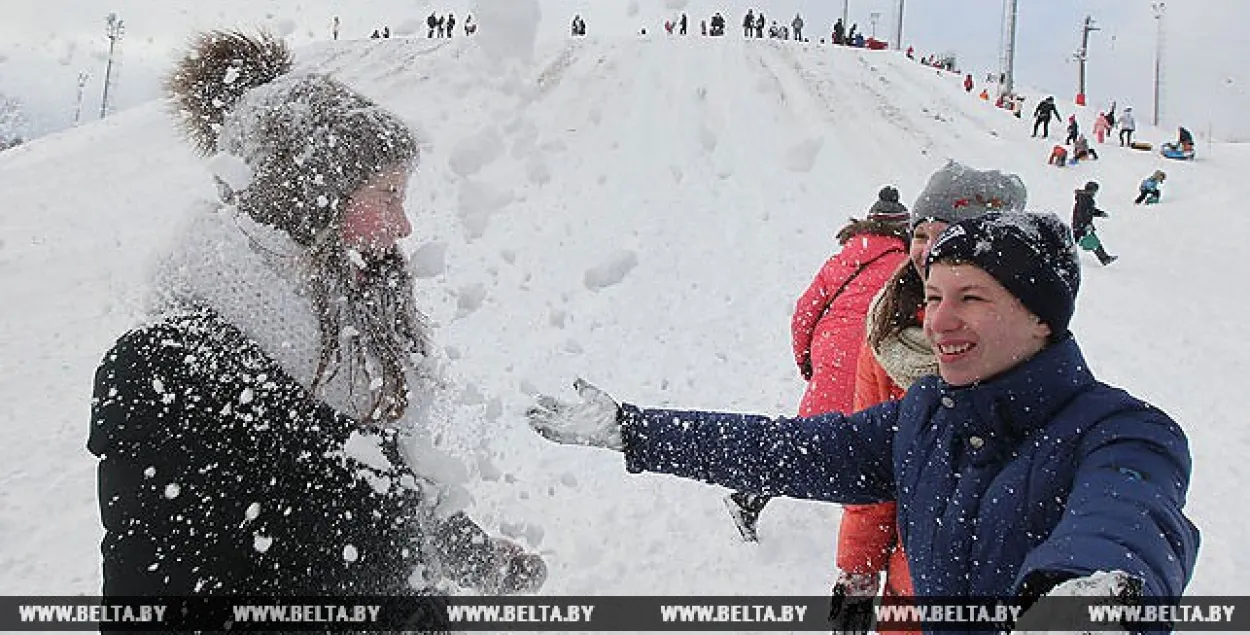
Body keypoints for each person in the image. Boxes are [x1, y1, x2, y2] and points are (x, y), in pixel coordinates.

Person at [526, 210, 1199, 631]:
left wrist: (1085, 597)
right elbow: (782, 448)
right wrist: (638, 429)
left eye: (971, 296)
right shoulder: (924, 416)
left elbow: (1129, 521)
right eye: (934, 296)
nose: (939, 319)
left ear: (1040, 316)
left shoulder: (1123, 432)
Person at [89, 30, 547, 602]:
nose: (404, 226)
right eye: (387, 196)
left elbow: (389, 494)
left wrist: (473, 556)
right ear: (314, 197)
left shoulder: (353, 338)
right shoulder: (173, 368)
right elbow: (160, 595)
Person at [831, 162, 1027, 634]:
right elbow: (870, 469)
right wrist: (857, 574)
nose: (927, 249)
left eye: (948, 234)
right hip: (911, 591)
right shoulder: (888, 337)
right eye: (922, 232)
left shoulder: (1025, 344)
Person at [724, 186, 910, 542]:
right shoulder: (908, 265)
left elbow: (805, 311)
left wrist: (806, 360)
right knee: (877, 441)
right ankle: (885, 531)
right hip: (873, 357)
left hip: (834, 352)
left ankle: (750, 496)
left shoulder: (842, 259)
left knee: (809, 436)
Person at [1072, 181, 1117, 266]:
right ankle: (1104, 259)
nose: (1095, 193)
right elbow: (1082, 213)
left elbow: (1090, 211)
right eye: (1095, 191)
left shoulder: (1085, 198)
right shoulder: (1085, 199)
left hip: (1080, 225)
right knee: (1092, 241)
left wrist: (1100, 213)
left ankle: (1105, 258)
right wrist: (1085, 225)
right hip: (1081, 225)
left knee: (1076, 240)